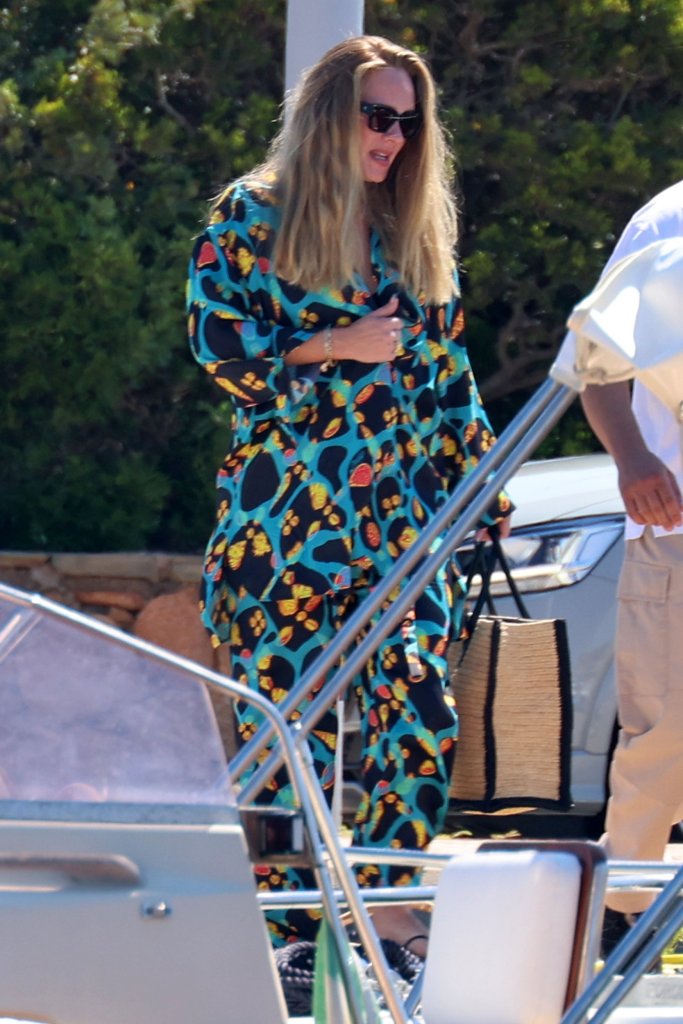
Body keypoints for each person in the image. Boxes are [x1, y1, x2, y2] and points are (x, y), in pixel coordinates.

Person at [187, 34, 511, 955]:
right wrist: (335, 347)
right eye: (378, 116)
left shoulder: (411, 234)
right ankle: (293, 929)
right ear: (330, 113)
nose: (394, 139)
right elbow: (221, 354)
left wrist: (481, 484)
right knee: (287, 729)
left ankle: (387, 905)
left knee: (417, 713)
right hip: (284, 523)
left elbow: (451, 384)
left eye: (409, 123)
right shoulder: (252, 218)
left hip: (403, 528)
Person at [576, 180, 683, 953]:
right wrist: (634, 459)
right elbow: (595, 360)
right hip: (675, 526)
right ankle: (624, 925)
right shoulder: (666, 219)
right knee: (661, 741)